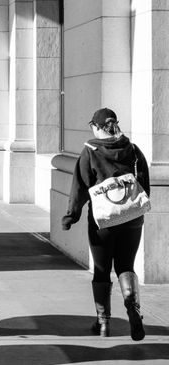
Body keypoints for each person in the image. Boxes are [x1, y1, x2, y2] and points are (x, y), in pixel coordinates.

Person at [62, 107, 150, 340]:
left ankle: (103, 323)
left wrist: (71, 215)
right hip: (131, 219)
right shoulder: (133, 150)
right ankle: (133, 306)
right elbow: (143, 183)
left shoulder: (90, 152)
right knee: (126, 266)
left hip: (103, 222)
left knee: (102, 271)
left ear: (97, 127)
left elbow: (79, 187)